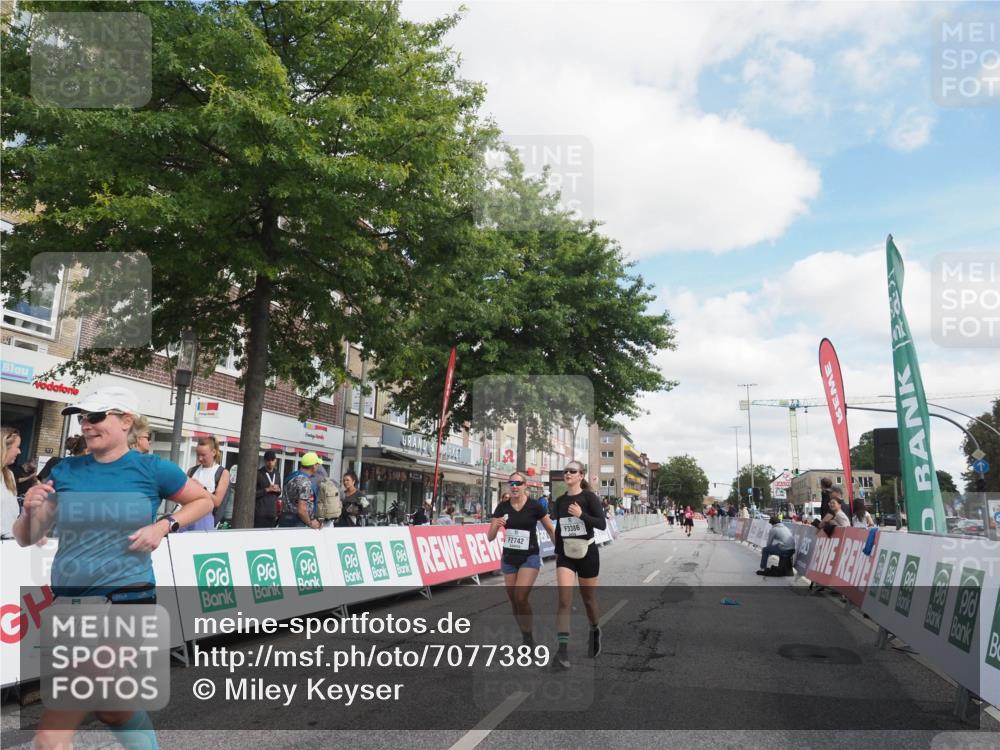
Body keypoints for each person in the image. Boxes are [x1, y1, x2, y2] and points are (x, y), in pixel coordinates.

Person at [13, 386, 213, 750]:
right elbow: (28, 537)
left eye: (95, 416)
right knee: (112, 710)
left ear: (126, 421)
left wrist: (164, 526)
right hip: (69, 602)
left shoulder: (152, 468)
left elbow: (203, 500)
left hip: (127, 598)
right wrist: (30, 511)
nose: (86, 425)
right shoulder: (66, 470)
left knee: (58, 723)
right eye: (82, 418)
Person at [488, 471, 556, 647]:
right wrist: (496, 525)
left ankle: (528, 637)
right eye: (511, 483)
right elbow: (490, 537)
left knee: (520, 597)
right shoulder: (502, 507)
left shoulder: (535, 506)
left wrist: (560, 551)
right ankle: (526, 636)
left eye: (518, 483)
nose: (514, 486)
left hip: (529, 556)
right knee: (514, 600)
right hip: (509, 557)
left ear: (525, 485)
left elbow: (550, 529)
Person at [552, 460, 606, 669]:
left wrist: (581, 515)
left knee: (588, 600)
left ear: (581, 475)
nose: (568, 474)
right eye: (565, 471)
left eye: (572, 471)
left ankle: (594, 629)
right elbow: (560, 528)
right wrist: (558, 553)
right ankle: (562, 651)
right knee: (564, 601)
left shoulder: (589, 497)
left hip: (587, 552)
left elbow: (601, 524)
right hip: (566, 554)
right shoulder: (560, 500)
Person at [179, 436, 230, 532]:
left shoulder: (222, 473)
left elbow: (217, 502)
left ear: (214, 452)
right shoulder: (192, 470)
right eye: (198, 454)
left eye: (203, 455)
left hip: (204, 520)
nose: (200, 458)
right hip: (186, 516)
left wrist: (201, 488)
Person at [278, 452, 323, 529]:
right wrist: (310, 523)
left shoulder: (292, 476)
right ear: (313, 466)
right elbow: (302, 510)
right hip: (298, 522)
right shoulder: (305, 482)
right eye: (317, 464)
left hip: (285, 519)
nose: (318, 466)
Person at [2, 427, 22, 539]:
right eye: (17, 447)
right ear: (4, 447)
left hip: (10, 542)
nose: (19, 452)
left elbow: (12, 513)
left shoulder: (9, 475)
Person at [254, 451, 281, 528]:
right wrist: (267, 490)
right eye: (268, 460)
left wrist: (278, 490)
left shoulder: (277, 474)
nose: (270, 463)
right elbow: (253, 494)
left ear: (275, 460)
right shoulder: (258, 473)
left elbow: (279, 492)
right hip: (260, 514)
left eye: (272, 460)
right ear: (265, 461)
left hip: (272, 513)